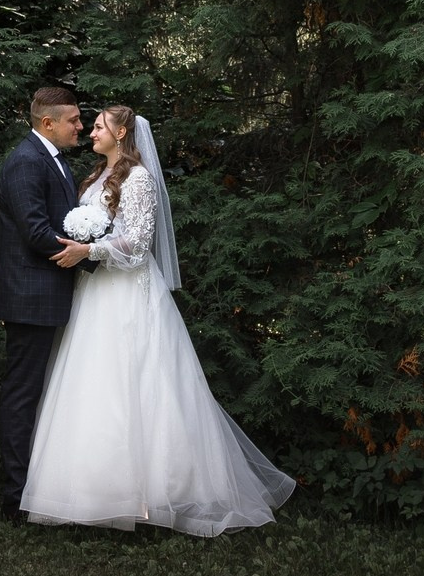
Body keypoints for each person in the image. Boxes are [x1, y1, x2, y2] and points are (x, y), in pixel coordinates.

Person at [19, 104, 295, 535]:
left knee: (142, 385)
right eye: (88, 126)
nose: (90, 132)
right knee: (94, 386)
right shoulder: (92, 178)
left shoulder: (140, 178)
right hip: (94, 293)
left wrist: (89, 250)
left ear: (122, 131)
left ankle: (153, 496)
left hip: (128, 293)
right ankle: (92, 494)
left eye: (98, 126)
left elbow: (138, 244)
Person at [0, 85, 90, 523]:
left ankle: (43, 486)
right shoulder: (25, 162)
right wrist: (94, 260)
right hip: (30, 299)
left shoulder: (53, 160)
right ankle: (16, 498)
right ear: (47, 123)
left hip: (49, 296)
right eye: (74, 120)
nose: (81, 127)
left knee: (45, 392)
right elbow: (35, 232)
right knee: (23, 394)